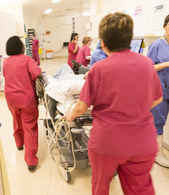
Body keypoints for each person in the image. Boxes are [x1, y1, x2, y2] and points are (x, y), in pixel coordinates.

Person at [63, 12, 163, 195]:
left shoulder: (98, 69)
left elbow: (82, 106)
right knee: (140, 189)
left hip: (107, 143)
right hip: (142, 142)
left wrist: (71, 115)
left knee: (101, 186)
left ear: (102, 42)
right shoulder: (147, 64)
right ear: (129, 38)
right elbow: (158, 98)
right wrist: (135, 109)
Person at [3, 36, 42, 171]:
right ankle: (31, 161)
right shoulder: (27, 60)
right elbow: (37, 74)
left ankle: (19, 143)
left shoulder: (5, 62)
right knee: (29, 127)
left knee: (16, 120)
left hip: (11, 100)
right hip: (27, 100)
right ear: (21, 47)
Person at [147, 14, 169, 168]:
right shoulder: (157, 45)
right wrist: (167, 63)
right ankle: (158, 154)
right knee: (159, 122)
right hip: (161, 90)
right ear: (165, 26)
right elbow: (148, 67)